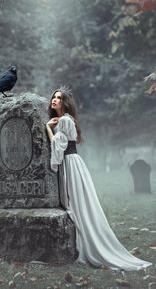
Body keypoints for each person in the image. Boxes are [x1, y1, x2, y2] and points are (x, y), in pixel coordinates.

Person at [46, 87, 152, 271]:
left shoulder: (63, 120)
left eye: (59, 98)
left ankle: (85, 244)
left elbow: (57, 145)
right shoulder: (67, 120)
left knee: (76, 205)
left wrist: (47, 127)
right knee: (78, 204)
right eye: (54, 97)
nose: (55, 100)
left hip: (70, 164)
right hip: (74, 163)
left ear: (65, 103)